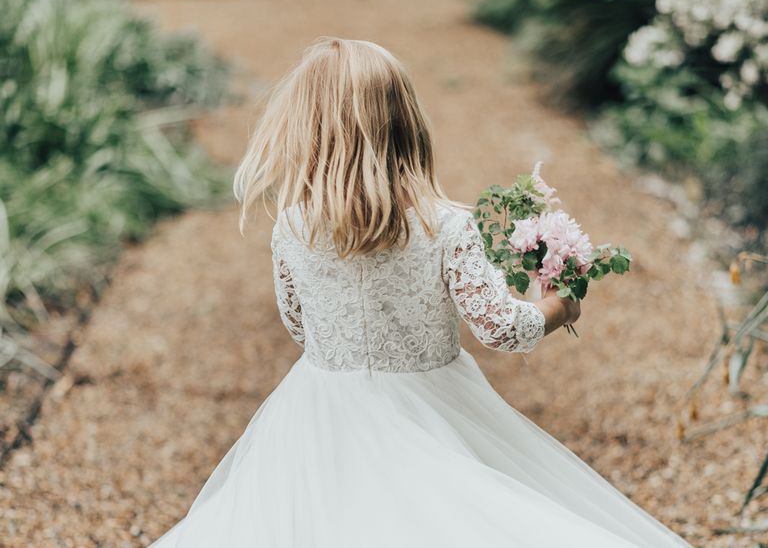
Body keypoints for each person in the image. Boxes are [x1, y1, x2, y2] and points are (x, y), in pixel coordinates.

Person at [151, 38, 690, 547]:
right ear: (405, 123)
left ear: (307, 128)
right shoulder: (446, 227)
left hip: (319, 406)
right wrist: (559, 304)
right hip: (430, 404)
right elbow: (502, 328)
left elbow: (299, 325)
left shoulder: (292, 227)